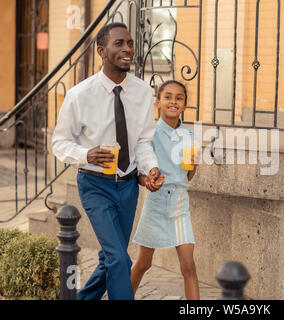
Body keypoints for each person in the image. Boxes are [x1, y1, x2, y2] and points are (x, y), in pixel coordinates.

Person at [52, 22, 164, 300]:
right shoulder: (79, 95)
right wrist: (85, 154)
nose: (127, 49)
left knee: (109, 258)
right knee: (118, 258)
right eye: (119, 44)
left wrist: (150, 169)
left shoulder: (142, 92)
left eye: (130, 43)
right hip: (94, 184)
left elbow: (142, 142)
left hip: (128, 188)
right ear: (101, 50)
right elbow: (59, 142)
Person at [130, 80, 200, 300]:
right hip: (156, 203)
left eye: (179, 98)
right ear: (158, 102)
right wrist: (148, 182)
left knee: (188, 265)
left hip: (180, 204)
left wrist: (194, 165)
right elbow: (139, 173)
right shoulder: (149, 134)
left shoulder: (190, 137)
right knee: (144, 263)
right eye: (168, 97)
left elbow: (186, 176)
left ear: (184, 105)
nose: (173, 101)